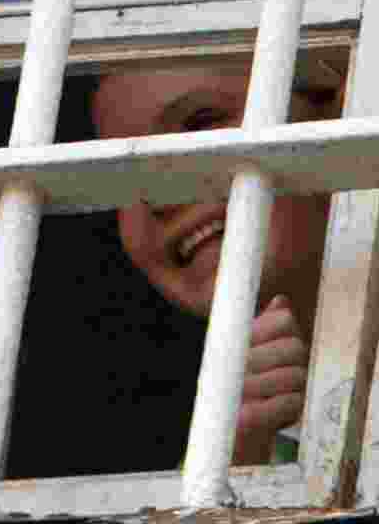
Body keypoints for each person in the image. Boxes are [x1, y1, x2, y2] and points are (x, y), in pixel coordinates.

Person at [90, 63, 330, 465]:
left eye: (201, 122)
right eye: (121, 171)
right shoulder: (219, 447)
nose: (162, 198)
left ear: (337, 111)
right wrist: (237, 454)